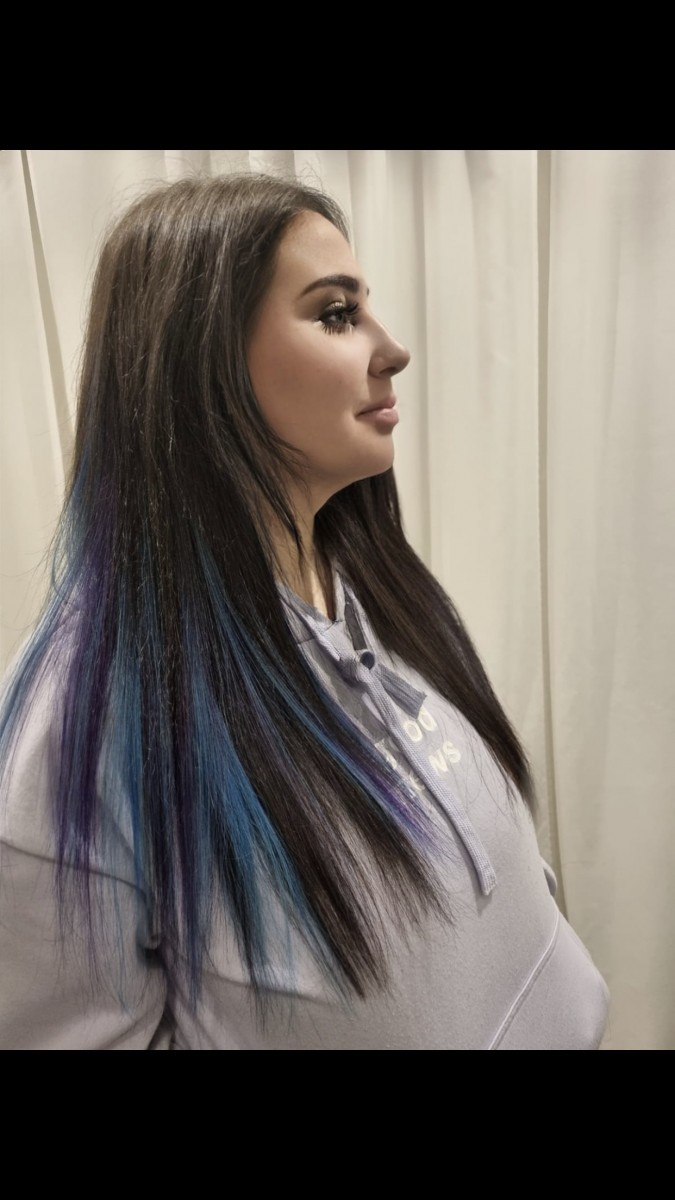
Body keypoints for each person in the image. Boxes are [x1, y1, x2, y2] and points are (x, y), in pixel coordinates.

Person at [0, 172, 610, 1049]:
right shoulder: (83, 713)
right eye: (334, 314)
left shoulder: (371, 588)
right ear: (200, 363)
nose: (391, 349)